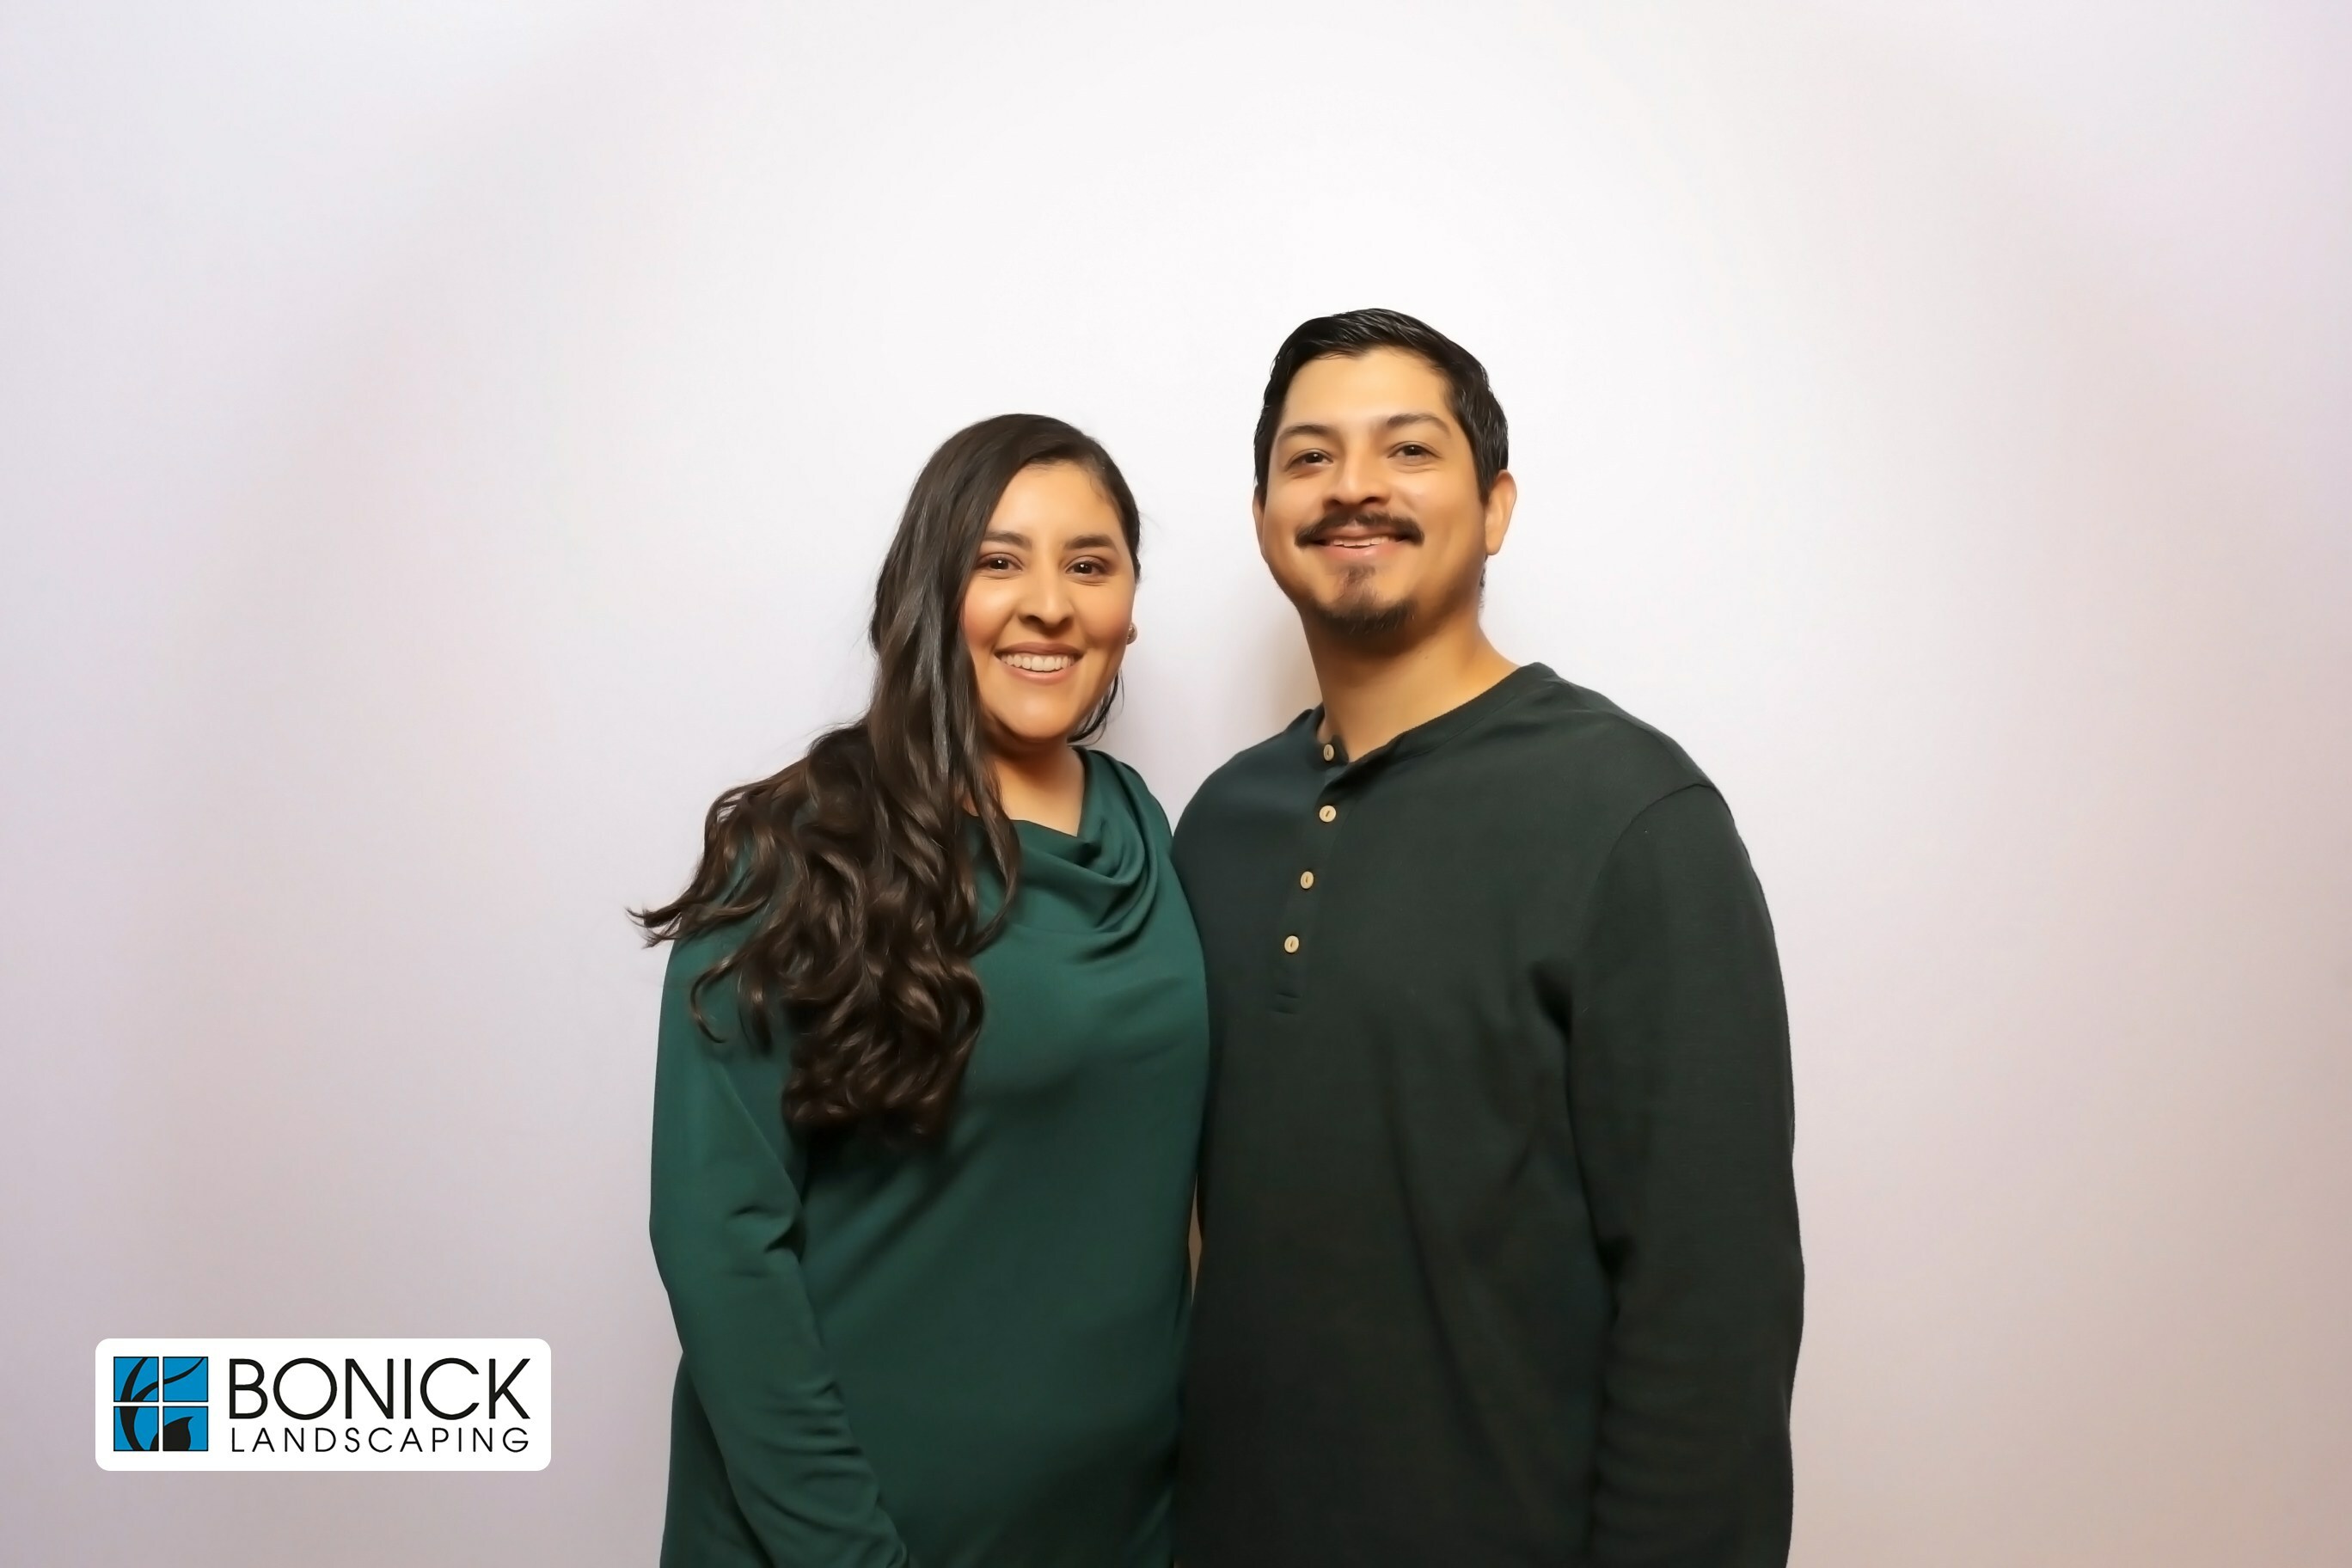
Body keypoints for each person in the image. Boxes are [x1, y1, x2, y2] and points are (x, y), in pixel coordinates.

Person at [1173, 310, 1804, 1566]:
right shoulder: (1219, 825)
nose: (1353, 486)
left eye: (1408, 449)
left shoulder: (1633, 817)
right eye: (1309, 457)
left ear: (1496, 506)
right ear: (1263, 519)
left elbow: (1711, 1311)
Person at [637, 413, 1208, 1567]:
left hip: (1108, 1532)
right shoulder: (804, 851)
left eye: (1089, 565)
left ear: (1130, 607)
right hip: (846, 1542)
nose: (1049, 605)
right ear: (929, 593)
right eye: (999, 561)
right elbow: (720, 1244)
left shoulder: (1145, 828)